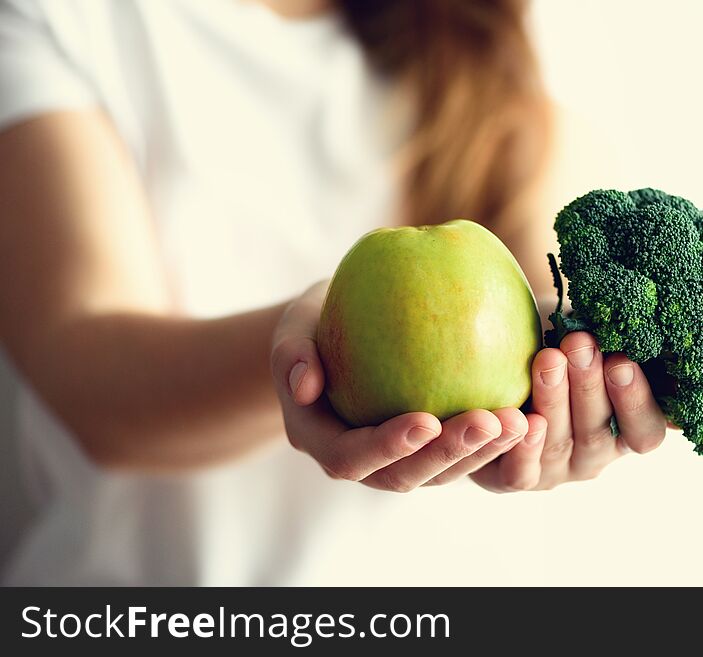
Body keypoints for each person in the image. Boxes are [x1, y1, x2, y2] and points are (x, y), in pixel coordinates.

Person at [0, 0, 667, 586]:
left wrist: (576, 360)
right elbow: (82, 362)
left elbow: (552, 222)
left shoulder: (481, 18)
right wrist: (311, 353)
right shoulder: (57, 16)